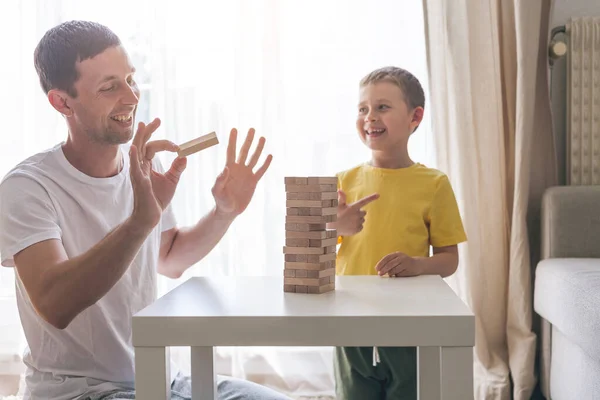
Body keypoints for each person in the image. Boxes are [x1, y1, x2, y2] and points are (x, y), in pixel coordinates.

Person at [0, 20, 290, 400]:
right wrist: (140, 220)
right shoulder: (27, 187)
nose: (132, 97)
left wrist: (224, 212)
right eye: (109, 87)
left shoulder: (138, 166)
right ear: (62, 102)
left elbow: (169, 258)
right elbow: (56, 304)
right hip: (81, 392)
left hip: (161, 378)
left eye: (130, 79)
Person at [328, 66, 467, 400]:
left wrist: (418, 265)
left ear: (415, 116)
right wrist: (335, 227)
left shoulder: (434, 184)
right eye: (363, 109)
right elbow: (310, 252)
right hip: (350, 323)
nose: (370, 117)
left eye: (383, 107)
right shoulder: (341, 181)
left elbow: (449, 260)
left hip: (409, 324)